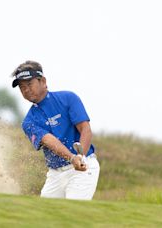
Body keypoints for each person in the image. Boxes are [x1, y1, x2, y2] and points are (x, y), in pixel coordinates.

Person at [11, 60, 100, 200]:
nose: (26, 90)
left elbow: (85, 129)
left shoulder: (68, 98)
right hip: (55, 175)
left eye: (29, 84)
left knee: (73, 212)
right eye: (22, 87)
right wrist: (72, 158)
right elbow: (49, 140)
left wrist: (80, 157)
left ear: (43, 81)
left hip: (83, 168)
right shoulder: (28, 121)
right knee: (45, 215)